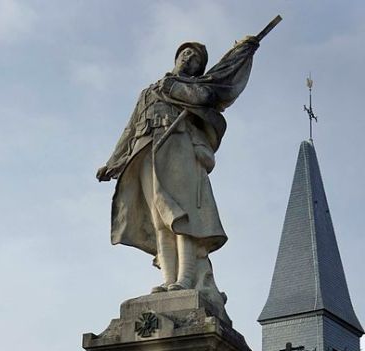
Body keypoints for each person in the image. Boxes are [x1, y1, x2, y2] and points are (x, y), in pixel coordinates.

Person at [97, 36, 259, 294]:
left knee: (182, 216)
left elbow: (206, 96)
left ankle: (185, 278)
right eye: (186, 53)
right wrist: (113, 161)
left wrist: (174, 87)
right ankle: (168, 278)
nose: (189, 59)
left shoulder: (192, 88)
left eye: (195, 59)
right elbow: (130, 129)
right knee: (161, 220)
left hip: (178, 147)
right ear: (176, 56)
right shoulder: (149, 91)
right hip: (148, 150)